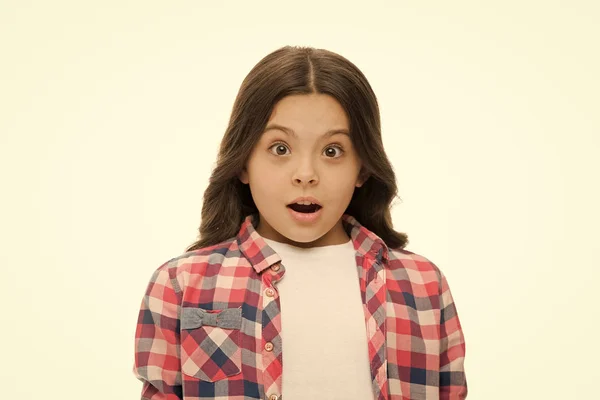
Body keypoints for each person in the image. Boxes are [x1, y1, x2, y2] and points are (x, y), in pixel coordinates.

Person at [132, 45, 468, 400]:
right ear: (244, 161)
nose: (306, 175)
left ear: (363, 168)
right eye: (280, 148)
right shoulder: (182, 285)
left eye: (332, 151)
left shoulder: (423, 286)